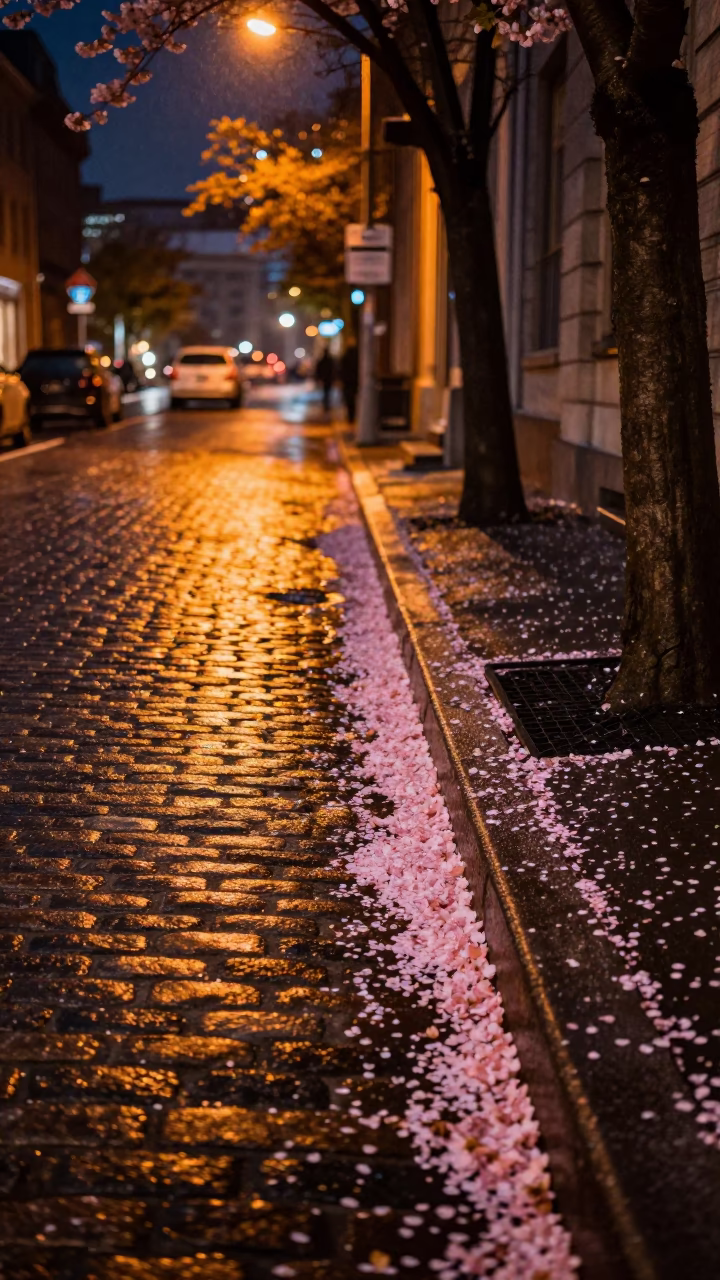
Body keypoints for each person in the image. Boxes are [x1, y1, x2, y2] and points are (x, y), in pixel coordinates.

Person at [340, 341, 359, 423]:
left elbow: (341, 370)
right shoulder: (357, 359)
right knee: (353, 399)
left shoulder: (345, 358)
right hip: (354, 382)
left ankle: (350, 416)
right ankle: (352, 415)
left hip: (347, 382)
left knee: (349, 399)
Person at [315, 348, 335, 413]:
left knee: (325, 392)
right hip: (328, 379)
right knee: (327, 392)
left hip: (325, 379)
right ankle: (327, 405)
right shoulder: (330, 361)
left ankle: (326, 405)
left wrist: (319, 378)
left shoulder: (323, 361)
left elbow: (318, 370)